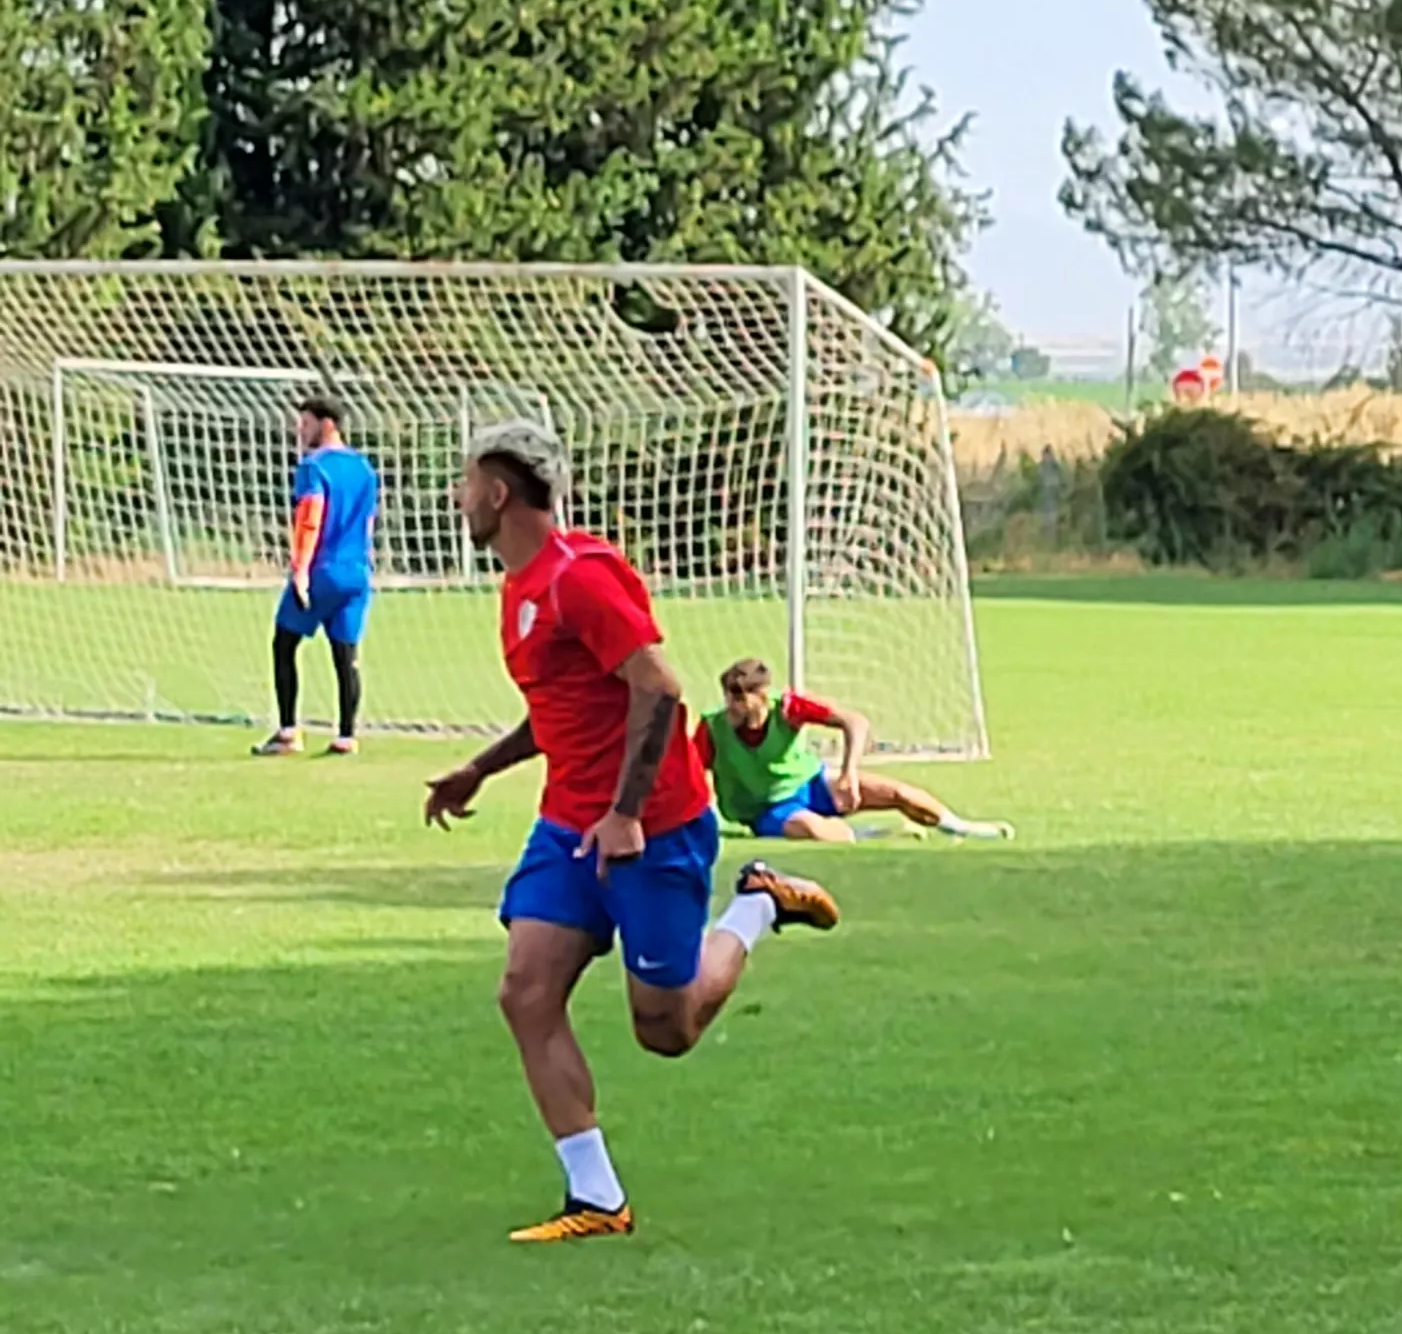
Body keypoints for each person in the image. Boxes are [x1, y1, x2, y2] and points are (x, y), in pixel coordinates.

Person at [419, 419, 844, 1244]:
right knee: (525, 992)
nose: (456, 496)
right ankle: (598, 1199)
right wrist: (481, 769)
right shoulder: (522, 587)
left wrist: (624, 814)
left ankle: (756, 905)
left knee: (668, 1029)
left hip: (653, 829)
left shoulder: (576, 578)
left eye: (465, 481)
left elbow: (661, 687)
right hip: (569, 827)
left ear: (499, 492)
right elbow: (569, 708)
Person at [702, 658, 1010, 844]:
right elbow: (689, 770)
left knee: (897, 792)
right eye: (729, 696)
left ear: (761, 695)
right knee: (811, 829)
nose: (733, 705)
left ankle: (964, 827)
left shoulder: (788, 709)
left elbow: (854, 722)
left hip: (810, 784)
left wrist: (848, 773)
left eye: (741, 697)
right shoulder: (713, 728)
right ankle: (879, 835)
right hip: (766, 809)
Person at [257, 391, 381, 756]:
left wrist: (300, 571)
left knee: (284, 644)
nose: (300, 431)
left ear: (326, 424)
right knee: (346, 654)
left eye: (305, 424)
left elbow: (310, 517)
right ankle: (346, 735)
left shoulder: (314, 467)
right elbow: (369, 523)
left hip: (321, 570)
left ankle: (288, 732)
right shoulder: (364, 468)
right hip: (356, 573)